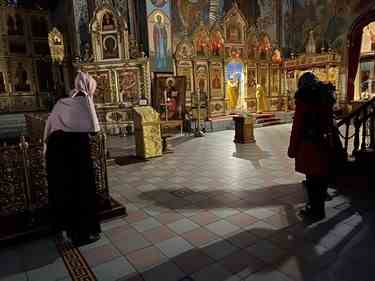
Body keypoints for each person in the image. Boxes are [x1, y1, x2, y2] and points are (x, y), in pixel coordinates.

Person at [44, 71, 101, 246]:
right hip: (75, 156)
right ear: (88, 86)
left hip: (57, 153)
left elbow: (51, 127)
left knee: (64, 191)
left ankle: (66, 229)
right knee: (80, 193)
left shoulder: (64, 101)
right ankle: (82, 234)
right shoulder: (84, 100)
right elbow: (94, 129)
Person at [288, 72, 344, 222]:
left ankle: (316, 210)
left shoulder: (304, 97)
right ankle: (321, 199)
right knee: (322, 173)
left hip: (310, 143)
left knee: (312, 178)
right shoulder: (326, 94)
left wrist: (292, 149)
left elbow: (298, 125)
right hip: (326, 141)